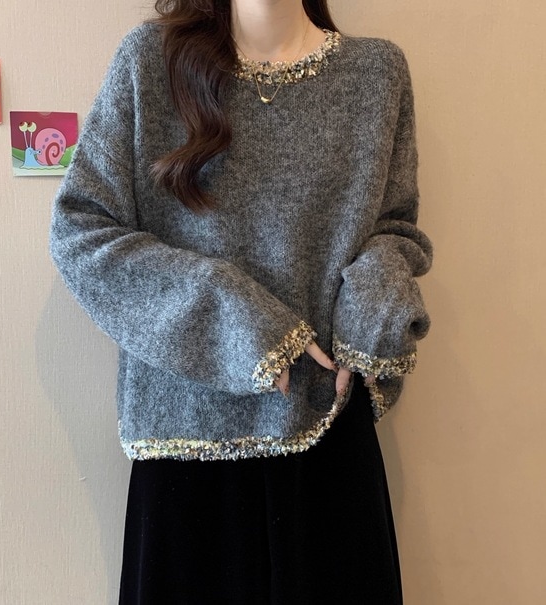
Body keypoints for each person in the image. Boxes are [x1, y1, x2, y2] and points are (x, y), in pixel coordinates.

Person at [49, 0, 432, 602]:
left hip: (329, 427)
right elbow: (83, 229)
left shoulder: (377, 73)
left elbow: (396, 228)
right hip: (187, 445)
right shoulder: (151, 62)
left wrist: (373, 303)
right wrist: (237, 319)